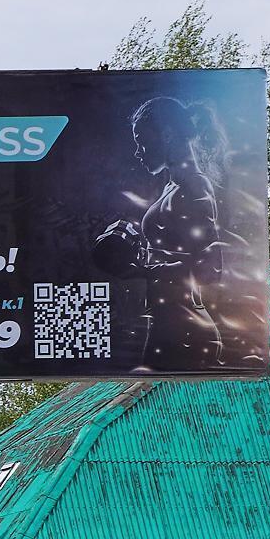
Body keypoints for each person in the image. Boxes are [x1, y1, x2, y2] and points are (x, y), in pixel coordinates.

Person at [95, 93, 238, 367]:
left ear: (168, 135)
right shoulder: (172, 187)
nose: (138, 152)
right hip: (170, 324)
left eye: (142, 142)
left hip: (185, 331)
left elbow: (210, 270)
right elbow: (177, 252)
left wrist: (141, 269)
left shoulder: (192, 187)